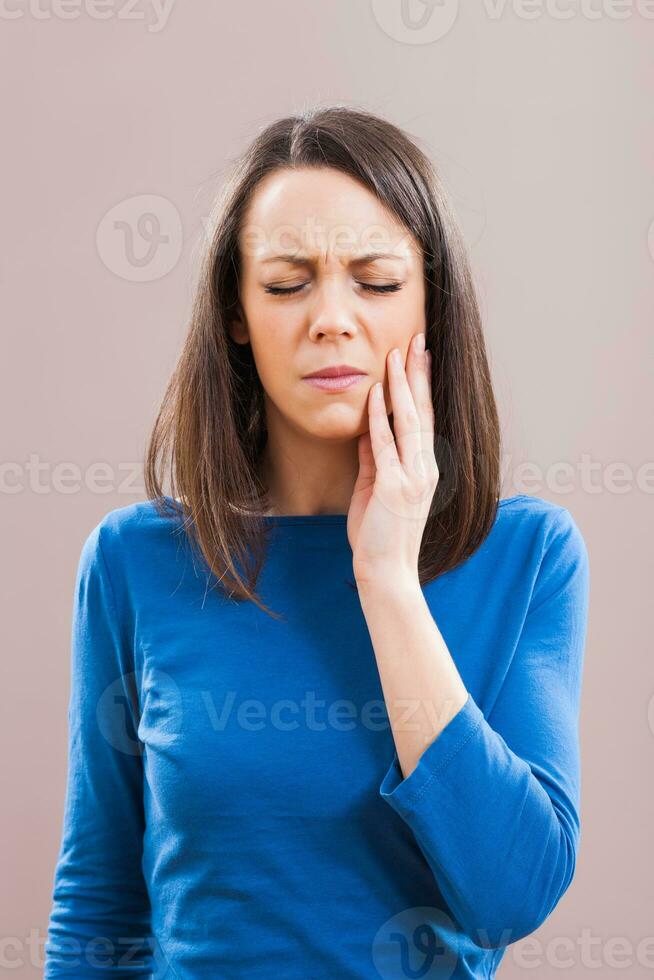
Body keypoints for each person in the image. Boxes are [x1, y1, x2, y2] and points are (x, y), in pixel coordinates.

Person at [44, 105, 590, 979]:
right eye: (288, 283)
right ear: (236, 314)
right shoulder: (133, 562)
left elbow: (512, 893)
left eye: (374, 282)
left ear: (430, 308)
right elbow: (98, 903)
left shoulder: (527, 556)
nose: (332, 318)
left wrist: (386, 577)